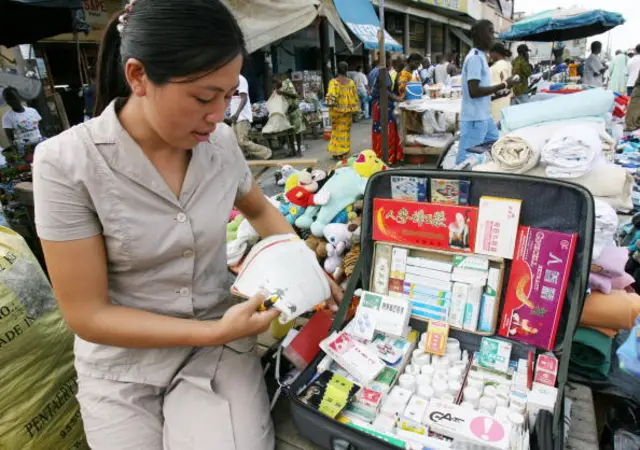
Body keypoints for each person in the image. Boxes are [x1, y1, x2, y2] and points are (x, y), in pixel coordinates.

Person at [31, 1, 342, 449]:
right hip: (123, 367)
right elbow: (87, 314)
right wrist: (215, 331)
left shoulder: (219, 144)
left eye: (227, 95)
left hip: (215, 353)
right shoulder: (65, 163)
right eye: (202, 97)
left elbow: (259, 210)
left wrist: (305, 266)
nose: (217, 114)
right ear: (138, 76)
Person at [456, 20, 517, 165]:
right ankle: (459, 183)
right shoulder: (475, 58)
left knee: (496, 146)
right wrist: (504, 84)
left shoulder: (481, 57)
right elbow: (474, 91)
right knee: (466, 160)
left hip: (484, 117)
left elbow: (481, 92)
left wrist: (500, 92)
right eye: (490, 31)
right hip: (474, 119)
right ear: (479, 35)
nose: (492, 35)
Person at [228, 74, 272, 159]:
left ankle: (266, 152)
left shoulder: (240, 79)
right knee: (234, 141)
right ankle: (241, 160)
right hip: (235, 116)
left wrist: (237, 113)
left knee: (243, 141)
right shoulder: (230, 81)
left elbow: (244, 98)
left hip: (242, 116)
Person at [370, 59, 404, 165]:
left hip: (381, 107)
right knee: (386, 132)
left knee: (385, 131)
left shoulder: (383, 72)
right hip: (382, 108)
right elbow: (385, 91)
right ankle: (386, 158)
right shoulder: (384, 73)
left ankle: (385, 157)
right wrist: (398, 99)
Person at [326, 61, 359, 159]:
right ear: (347, 70)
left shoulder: (333, 82)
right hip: (347, 112)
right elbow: (355, 97)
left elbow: (331, 97)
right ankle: (343, 151)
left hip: (335, 112)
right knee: (345, 131)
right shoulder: (351, 82)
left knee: (336, 131)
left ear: (337, 69)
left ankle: (336, 152)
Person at [275, 71, 306, 154]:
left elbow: (295, 95)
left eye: (276, 81)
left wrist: (282, 92)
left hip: (294, 110)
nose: (276, 83)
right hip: (287, 113)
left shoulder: (287, 83)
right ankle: (293, 151)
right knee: (289, 132)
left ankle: (299, 150)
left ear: (280, 78)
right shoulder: (278, 88)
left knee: (297, 131)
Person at [489, 42, 513, 122]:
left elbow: (504, 85)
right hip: (505, 102)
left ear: (495, 52)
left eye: (490, 53)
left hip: (496, 104)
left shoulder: (497, 66)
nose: (489, 56)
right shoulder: (508, 64)